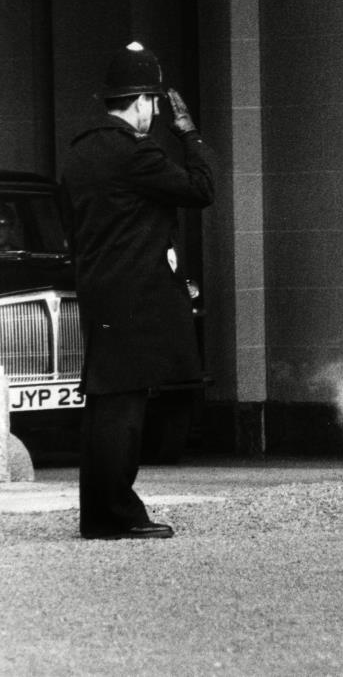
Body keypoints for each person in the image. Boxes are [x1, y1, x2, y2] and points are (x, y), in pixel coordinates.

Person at [59, 42, 217, 540]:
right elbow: (200, 189)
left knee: (107, 404)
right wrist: (188, 134)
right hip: (133, 296)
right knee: (124, 409)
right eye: (152, 102)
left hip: (99, 291)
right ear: (143, 101)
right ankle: (118, 514)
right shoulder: (134, 152)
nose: (154, 112)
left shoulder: (80, 152)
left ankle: (100, 514)